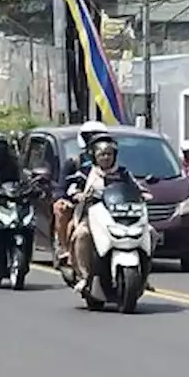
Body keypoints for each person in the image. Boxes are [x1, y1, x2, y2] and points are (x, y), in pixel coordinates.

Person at [69, 134, 149, 295]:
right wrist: (78, 194)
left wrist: (143, 193)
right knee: (81, 235)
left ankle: (145, 277)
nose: (105, 158)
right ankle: (84, 276)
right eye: (101, 154)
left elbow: (136, 188)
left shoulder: (123, 173)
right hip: (93, 216)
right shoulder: (85, 172)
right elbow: (73, 188)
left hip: (121, 216)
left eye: (109, 154)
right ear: (94, 156)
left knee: (151, 234)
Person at [53, 120, 106, 263]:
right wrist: (66, 198)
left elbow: (125, 183)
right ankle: (64, 249)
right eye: (91, 137)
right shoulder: (74, 162)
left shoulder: (114, 166)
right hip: (80, 203)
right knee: (60, 209)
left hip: (106, 204)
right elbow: (62, 187)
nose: (105, 158)